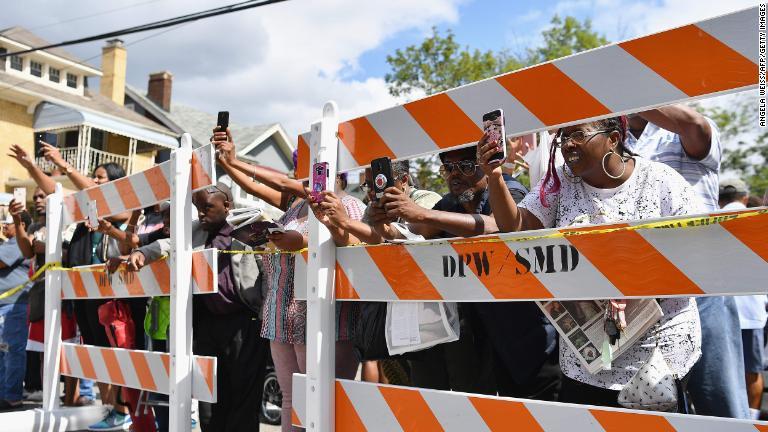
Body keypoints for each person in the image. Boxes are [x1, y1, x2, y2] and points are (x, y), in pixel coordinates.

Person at [480, 116, 702, 411]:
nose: (567, 144)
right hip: (587, 361)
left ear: (613, 139)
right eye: (563, 136)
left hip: (655, 357)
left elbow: (697, 252)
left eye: (578, 135)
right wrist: (494, 174)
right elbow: (517, 227)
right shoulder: (559, 183)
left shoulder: (661, 180)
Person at [369, 146, 556, 398]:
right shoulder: (451, 202)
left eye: (466, 167)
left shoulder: (510, 190)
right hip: (484, 335)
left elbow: (496, 225)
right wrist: (383, 220)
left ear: (486, 168)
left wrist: (421, 212)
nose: (455, 175)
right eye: (448, 168)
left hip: (527, 331)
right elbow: (412, 232)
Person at [213, 127, 361, 432]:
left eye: (306, 172)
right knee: (292, 400)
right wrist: (229, 164)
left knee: (326, 401)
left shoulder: (349, 206)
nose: (300, 178)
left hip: (322, 318)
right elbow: (263, 187)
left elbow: (313, 241)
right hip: (281, 313)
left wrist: (283, 237)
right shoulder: (296, 204)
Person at [626, 106, 749, 419]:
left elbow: (694, 126)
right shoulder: (613, 140)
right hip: (645, 300)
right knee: (656, 406)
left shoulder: (682, 127)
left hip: (703, 290)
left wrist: (633, 96)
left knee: (722, 408)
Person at [8, 143, 135, 430]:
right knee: (95, 350)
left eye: (101, 178)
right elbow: (56, 192)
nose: (96, 181)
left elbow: (106, 201)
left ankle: (122, 408)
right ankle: (108, 409)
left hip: (112, 292)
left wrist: (65, 165)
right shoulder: (86, 207)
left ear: (114, 181)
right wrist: (30, 166)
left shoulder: (122, 206)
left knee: (113, 351)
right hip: (83, 292)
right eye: (95, 177)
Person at [129, 183, 269, 432]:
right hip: (207, 324)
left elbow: (267, 269)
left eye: (207, 207)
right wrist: (142, 252)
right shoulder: (195, 231)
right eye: (197, 207)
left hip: (243, 321)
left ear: (227, 205)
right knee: (210, 395)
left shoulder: (247, 229)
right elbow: (167, 244)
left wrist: (263, 313)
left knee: (244, 394)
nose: (201, 213)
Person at [313, 160, 441, 385]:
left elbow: (405, 235)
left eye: (379, 182)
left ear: (403, 180)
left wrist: (345, 221)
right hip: (392, 313)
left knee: (429, 385)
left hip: (429, 319)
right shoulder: (373, 209)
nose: (372, 191)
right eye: (368, 185)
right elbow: (358, 243)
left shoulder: (426, 200)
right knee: (397, 385)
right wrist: (333, 224)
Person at [719, 178, 768, 420]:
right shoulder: (758, 219)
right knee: (752, 372)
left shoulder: (711, 219)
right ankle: (751, 420)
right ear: (745, 198)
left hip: (722, 311)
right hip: (752, 313)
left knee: (725, 372)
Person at [0, 211, 32, 410]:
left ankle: (12, 396)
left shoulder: (19, 243)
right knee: (4, 352)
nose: (4, 226)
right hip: (5, 305)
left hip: (14, 306)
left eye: (8, 222)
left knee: (12, 351)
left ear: (21, 224)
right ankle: (5, 393)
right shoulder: (6, 243)